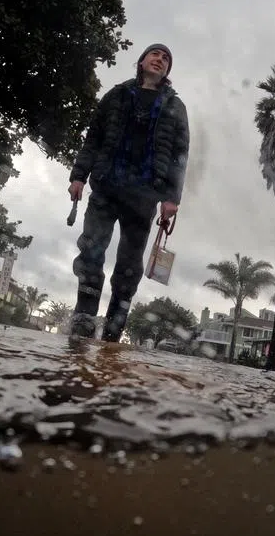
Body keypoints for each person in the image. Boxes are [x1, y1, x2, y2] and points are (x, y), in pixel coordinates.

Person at [67, 43, 190, 342]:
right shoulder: (116, 96)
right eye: (155, 55)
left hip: (144, 196)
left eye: (166, 59)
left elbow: (180, 154)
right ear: (141, 61)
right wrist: (78, 176)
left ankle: (114, 325)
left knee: (129, 264)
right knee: (92, 248)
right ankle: (84, 316)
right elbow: (93, 139)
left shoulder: (175, 107)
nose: (159, 60)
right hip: (107, 186)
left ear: (167, 71)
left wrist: (172, 198)